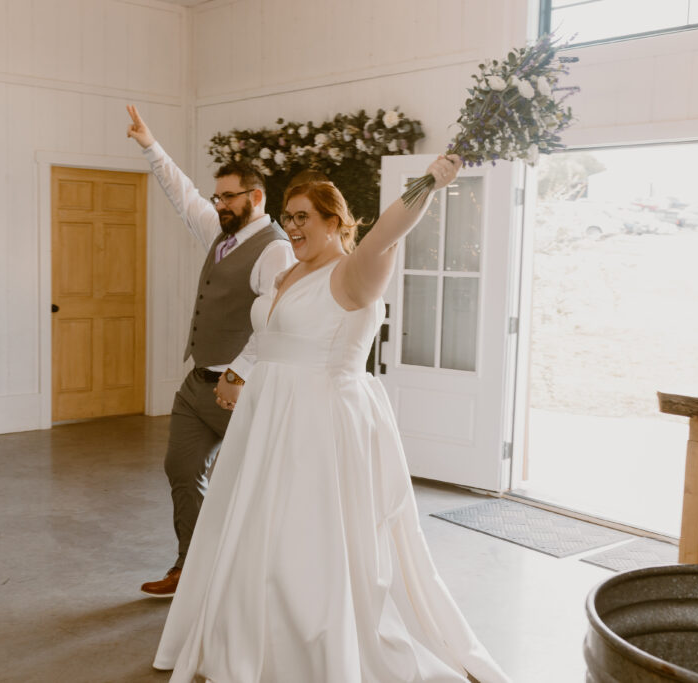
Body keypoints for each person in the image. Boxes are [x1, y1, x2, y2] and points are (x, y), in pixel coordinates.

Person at [153, 155, 511, 682]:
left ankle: (311, 649)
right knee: (254, 532)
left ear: (334, 222)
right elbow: (269, 336)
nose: (292, 227)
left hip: (318, 422)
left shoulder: (354, 273)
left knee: (305, 538)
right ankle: (247, 638)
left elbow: (387, 232)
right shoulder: (290, 269)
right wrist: (241, 375)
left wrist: (430, 182)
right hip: (267, 419)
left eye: (303, 217)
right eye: (287, 216)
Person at [125, 104, 295, 597]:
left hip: (237, 392)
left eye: (228, 196)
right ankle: (190, 569)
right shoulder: (220, 236)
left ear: (256, 197)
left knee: (246, 486)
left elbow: (274, 325)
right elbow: (183, 194)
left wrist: (238, 374)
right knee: (181, 469)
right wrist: (151, 146)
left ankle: (251, 583)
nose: (218, 203)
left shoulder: (274, 249)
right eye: (217, 196)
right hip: (195, 384)